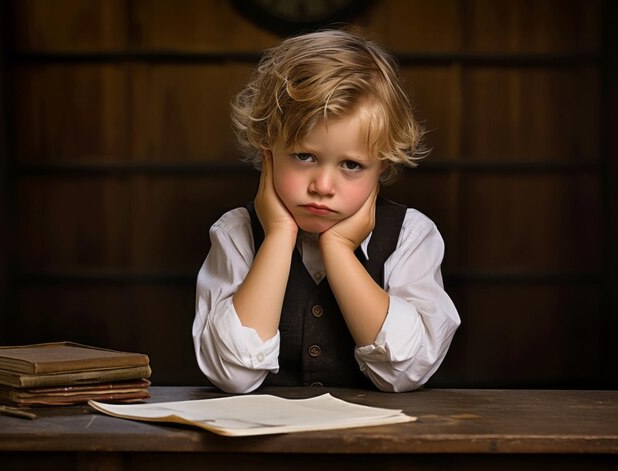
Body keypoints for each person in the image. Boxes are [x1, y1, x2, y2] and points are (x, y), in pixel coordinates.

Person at [193, 29, 460, 393]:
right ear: (267, 153)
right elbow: (233, 376)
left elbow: (404, 373)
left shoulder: (411, 237)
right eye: (305, 157)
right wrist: (278, 236)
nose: (322, 185)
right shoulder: (236, 233)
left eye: (351, 165)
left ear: (381, 167)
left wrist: (337, 250)